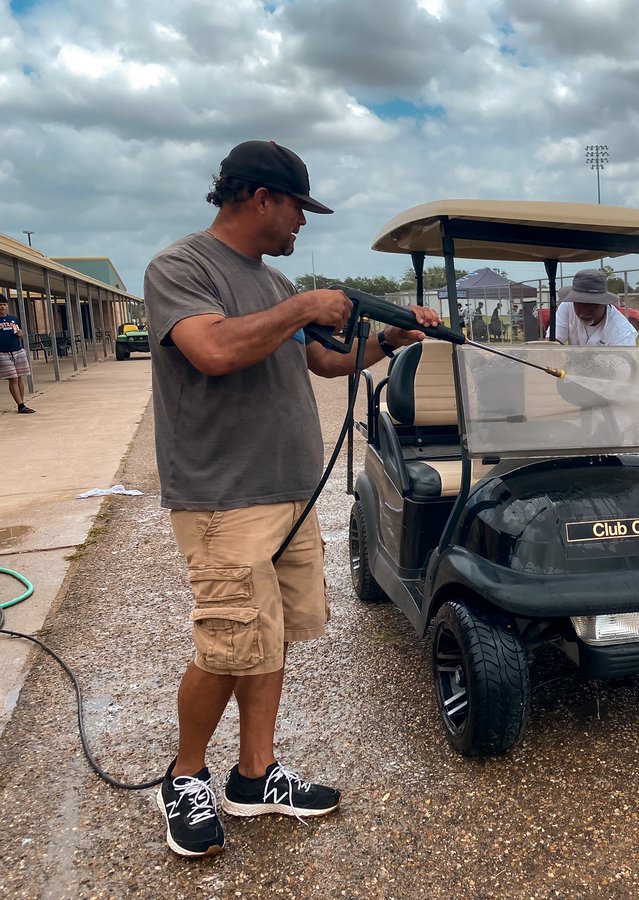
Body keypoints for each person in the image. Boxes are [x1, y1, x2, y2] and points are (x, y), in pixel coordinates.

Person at [143, 139, 440, 859]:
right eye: (298, 209)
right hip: (224, 496)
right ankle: (184, 777)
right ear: (261, 198)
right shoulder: (180, 268)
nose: (302, 224)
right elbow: (211, 351)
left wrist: (388, 342)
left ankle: (255, 776)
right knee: (226, 641)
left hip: (287, 492)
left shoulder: (274, 287)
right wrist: (307, 301)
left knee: (268, 637)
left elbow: (325, 360)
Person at [547, 269, 637, 346]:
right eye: (580, 303)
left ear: (604, 303)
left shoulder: (621, 333)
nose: (585, 311)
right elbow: (552, 344)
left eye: (592, 304)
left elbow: (621, 364)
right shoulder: (567, 306)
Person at [0, 297, 35, 413]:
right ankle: (20, 405)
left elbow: (20, 333)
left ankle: (22, 403)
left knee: (20, 376)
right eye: (0, 304)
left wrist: (21, 334)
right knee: (13, 378)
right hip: (3, 352)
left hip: (17, 350)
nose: (2, 307)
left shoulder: (13, 319)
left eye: (4, 304)